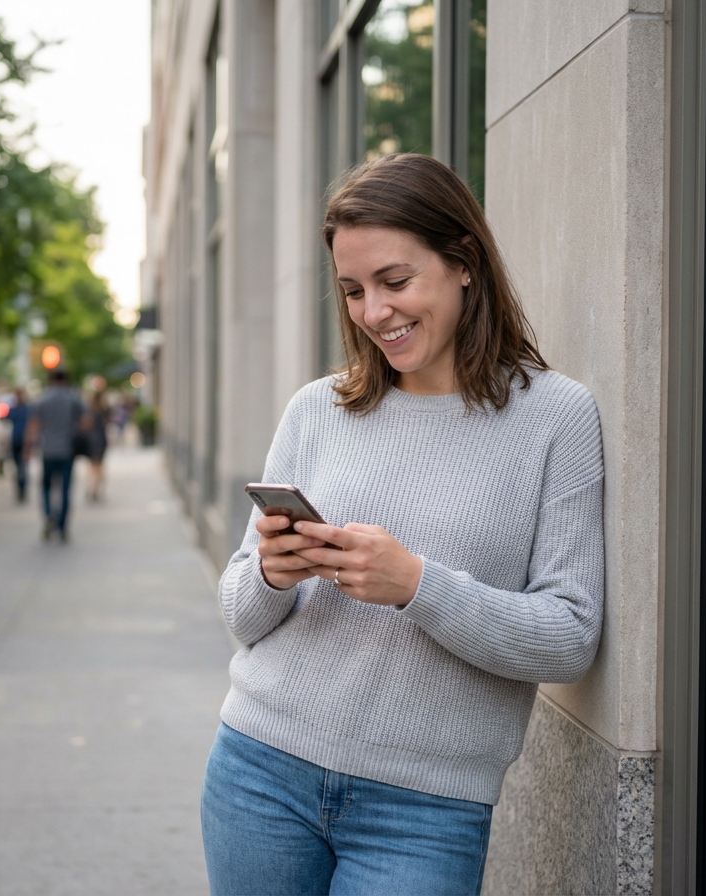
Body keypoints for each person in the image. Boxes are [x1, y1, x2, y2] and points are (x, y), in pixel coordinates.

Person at [200, 154, 605, 896]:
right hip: (259, 769)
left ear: (464, 264)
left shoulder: (557, 417)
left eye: (394, 282)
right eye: (353, 291)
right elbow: (239, 613)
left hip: (426, 810)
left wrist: (416, 584)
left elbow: (571, 635)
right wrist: (270, 573)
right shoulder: (318, 408)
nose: (372, 312)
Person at [25, 368, 86, 542]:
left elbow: (34, 425)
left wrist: (27, 448)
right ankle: (62, 525)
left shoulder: (43, 399)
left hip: (47, 449)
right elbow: (85, 422)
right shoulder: (72, 398)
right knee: (65, 489)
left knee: (46, 487)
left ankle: (49, 516)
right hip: (67, 449)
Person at [85, 378, 110, 501]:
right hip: (100, 437)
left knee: (92, 465)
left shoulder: (89, 406)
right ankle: (96, 488)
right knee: (99, 465)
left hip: (92, 438)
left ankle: (92, 488)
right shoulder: (104, 406)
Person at [8, 387, 31, 503]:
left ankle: (23, 489)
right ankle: (19, 488)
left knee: (23, 467)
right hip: (15, 441)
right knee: (18, 467)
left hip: (25, 442)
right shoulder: (13, 409)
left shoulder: (28, 409)